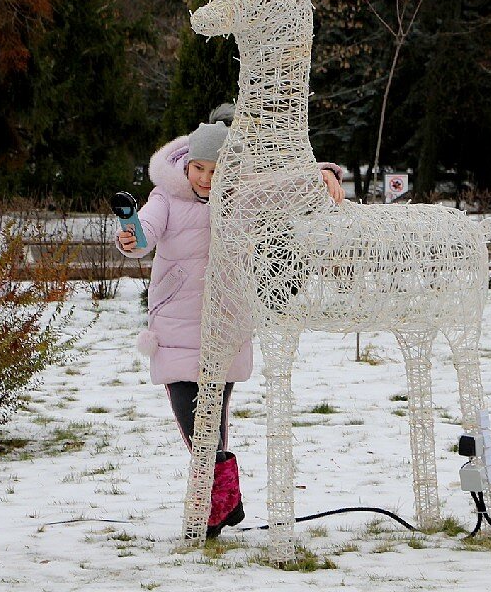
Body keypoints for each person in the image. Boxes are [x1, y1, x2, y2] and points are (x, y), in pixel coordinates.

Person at [117, 119, 344, 537]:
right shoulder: (165, 199)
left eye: (215, 169)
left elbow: (288, 187)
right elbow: (144, 234)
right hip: (177, 331)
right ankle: (225, 502)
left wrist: (323, 172)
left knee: (214, 433)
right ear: (186, 165)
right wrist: (132, 238)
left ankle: (215, 515)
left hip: (225, 329)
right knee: (195, 431)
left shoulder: (243, 198)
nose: (205, 178)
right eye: (198, 167)